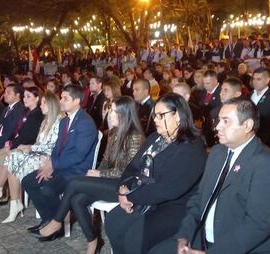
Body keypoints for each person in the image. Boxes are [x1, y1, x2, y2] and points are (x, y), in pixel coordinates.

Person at [151, 98, 270, 254]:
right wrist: (184, 235)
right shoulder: (217, 152)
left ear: (247, 125)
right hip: (203, 238)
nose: (217, 127)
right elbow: (199, 199)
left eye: (226, 121)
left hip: (242, 248)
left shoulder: (268, 164)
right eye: (218, 120)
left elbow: (258, 225)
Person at [34, 97, 144, 254]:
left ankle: (56, 221)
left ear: (124, 114)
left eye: (113, 111)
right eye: (110, 110)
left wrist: (100, 173)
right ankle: (93, 241)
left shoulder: (135, 136)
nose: (109, 114)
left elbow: (127, 171)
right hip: (109, 180)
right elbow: (106, 160)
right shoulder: (113, 132)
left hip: (124, 185)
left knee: (74, 183)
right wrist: (96, 173)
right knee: (76, 199)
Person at [104, 93, 207, 254]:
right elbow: (132, 167)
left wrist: (130, 196)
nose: (155, 120)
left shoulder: (192, 147)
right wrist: (123, 187)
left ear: (178, 115)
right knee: (113, 221)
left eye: (161, 115)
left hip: (174, 207)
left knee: (135, 237)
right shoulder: (155, 138)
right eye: (155, 115)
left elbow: (167, 189)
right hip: (144, 197)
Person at [22, 84, 98, 228]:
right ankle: (48, 221)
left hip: (76, 170)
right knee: (28, 182)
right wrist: (50, 163)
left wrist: (53, 165)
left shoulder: (85, 123)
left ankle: (56, 225)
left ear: (76, 101)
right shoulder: (65, 121)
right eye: (61, 97)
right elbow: (57, 147)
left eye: (65, 98)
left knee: (47, 189)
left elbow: (78, 156)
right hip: (61, 166)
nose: (61, 101)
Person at [0, 92, 61, 221]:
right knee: (13, 159)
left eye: (44, 103)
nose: (41, 105)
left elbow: (52, 146)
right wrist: (29, 147)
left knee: (13, 158)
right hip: (39, 153)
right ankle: (13, 203)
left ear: (52, 105)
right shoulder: (46, 121)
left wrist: (30, 147)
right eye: (42, 102)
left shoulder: (58, 121)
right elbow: (40, 142)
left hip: (48, 158)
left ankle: (3, 194)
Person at [0, 86, 44, 205]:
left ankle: (0, 195)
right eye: (25, 96)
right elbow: (16, 131)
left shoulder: (36, 115)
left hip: (26, 147)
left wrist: (10, 143)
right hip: (16, 144)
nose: (25, 99)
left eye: (28, 97)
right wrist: (9, 142)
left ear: (37, 98)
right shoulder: (27, 111)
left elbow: (28, 137)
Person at [250, 68, 270, 146]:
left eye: (259, 79)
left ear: (267, 80)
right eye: (253, 79)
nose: (255, 82)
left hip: (264, 140)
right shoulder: (249, 95)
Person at [198, 70, 222, 146]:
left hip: (217, 127)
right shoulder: (203, 91)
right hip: (205, 127)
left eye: (208, 83)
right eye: (204, 83)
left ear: (215, 80)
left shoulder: (222, 92)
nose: (205, 86)